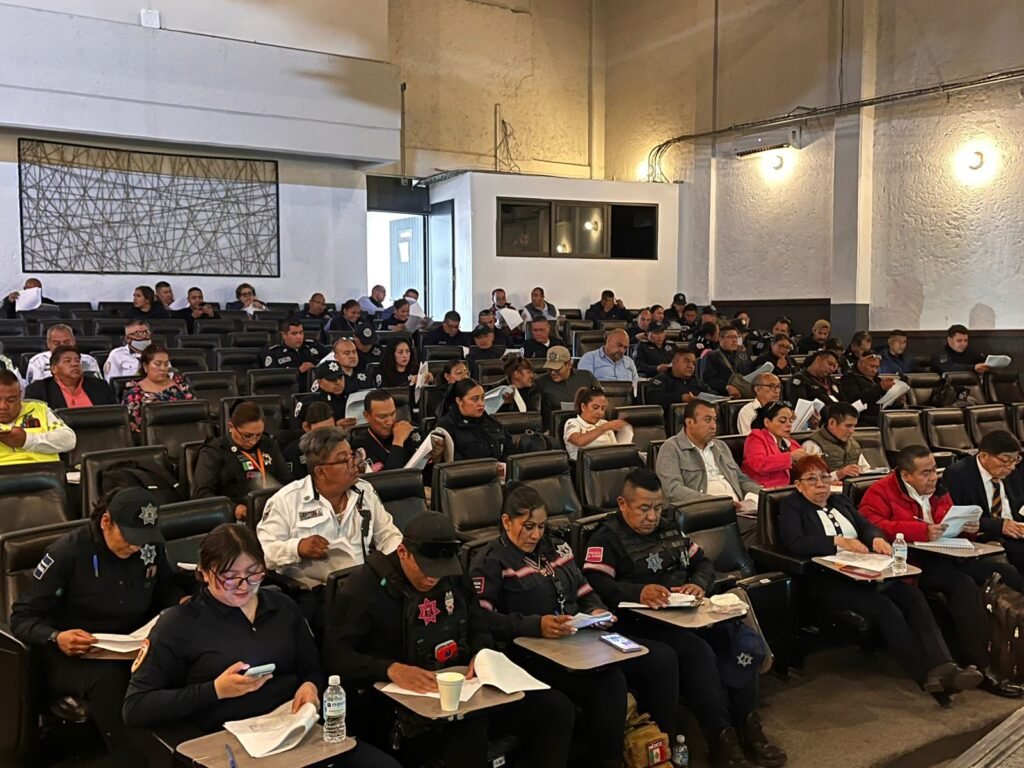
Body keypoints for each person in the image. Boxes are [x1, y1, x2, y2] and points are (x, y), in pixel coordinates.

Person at [123, 524, 402, 768]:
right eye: (229, 577)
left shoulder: (282, 607)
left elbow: (312, 668)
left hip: (294, 730)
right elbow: (136, 707)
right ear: (205, 573)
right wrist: (214, 690)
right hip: (228, 742)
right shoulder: (178, 625)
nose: (243, 586)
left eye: (254, 573)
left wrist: (310, 687)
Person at [326, 511, 574, 768]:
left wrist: (481, 654)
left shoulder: (453, 575)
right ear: (403, 552)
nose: (432, 578)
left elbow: (478, 623)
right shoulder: (364, 587)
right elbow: (336, 656)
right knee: (470, 733)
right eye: (425, 569)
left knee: (556, 709)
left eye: (439, 571)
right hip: (406, 707)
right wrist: (390, 669)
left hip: (465, 688)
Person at [584, 470, 787, 768]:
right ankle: (720, 738)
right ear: (622, 504)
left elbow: (702, 562)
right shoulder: (606, 537)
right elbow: (594, 583)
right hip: (642, 620)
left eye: (657, 508)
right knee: (697, 652)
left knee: (739, 638)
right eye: (644, 508)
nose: (652, 516)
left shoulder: (669, 529)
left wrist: (698, 584)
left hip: (687, 612)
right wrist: (638, 591)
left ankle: (749, 726)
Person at [470, 489, 673, 768]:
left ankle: (622, 758)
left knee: (632, 670)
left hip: (576, 641)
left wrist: (596, 611)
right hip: (528, 652)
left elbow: (584, 591)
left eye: (541, 526)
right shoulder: (491, 562)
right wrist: (535, 625)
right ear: (507, 521)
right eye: (528, 527)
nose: (535, 535)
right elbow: (482, 619)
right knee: (592, 691)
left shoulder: (557, 548)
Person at [780, 456, 983, 704]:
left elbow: (866, 526)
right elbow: (795, 542)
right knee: (884, 607)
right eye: (812, 479)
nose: (821, 484)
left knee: (912, 596)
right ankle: (928, 676)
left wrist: (875, 538)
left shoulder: (839, 500)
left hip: (867, 570)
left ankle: (945, 665)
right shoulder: (792, 506)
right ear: (798, 485)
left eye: (824, 477)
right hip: (830, 579)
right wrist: (837, 541)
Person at [11, 488, 182, 768]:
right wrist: (56, 637)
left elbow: (165, 588)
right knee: (111, 680)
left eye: (143, 539)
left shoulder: (148, 546)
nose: (136, 547)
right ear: (106, 522)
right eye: (129, 538)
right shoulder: (67, 552)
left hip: (131, 643)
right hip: (73, 652)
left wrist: (181, 602)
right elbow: (21, 617)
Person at [859, 445, 1024, 697]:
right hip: (914, 561)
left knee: (1007, 572)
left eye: (934, 470)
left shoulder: (939, 489)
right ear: (906, 475)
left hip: (948, 552)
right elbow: (871, 525)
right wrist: (920, 530)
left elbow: (949, 520)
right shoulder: (880, 491)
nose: (933, 478)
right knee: (962, 585)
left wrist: (968, 527)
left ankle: (1016, 649)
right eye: (925, 473)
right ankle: (982, 665)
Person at [257, 427, 401, 588]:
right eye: (344, 460)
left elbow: (387, 536)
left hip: (361, 583)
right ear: (320, 472)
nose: (354, 464)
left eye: (353, 455)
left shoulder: (364, 490)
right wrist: (297, 548)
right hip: (313, 590)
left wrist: (403, 559)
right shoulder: (286, 500)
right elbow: (266, 553)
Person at [655, 400, 761, 538]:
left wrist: (764, 494)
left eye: (715, 420)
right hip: (703, 513)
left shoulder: (721, 446)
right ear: (689, 422)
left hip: (739, 510)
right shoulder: (671, 448)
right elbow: (672, 489)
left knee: (775, 517)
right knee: (760, 528)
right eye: (707, 420)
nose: (713, 426)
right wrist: (717, 503)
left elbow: (741, 479)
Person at [193, 401, 292, 521]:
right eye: (247, 436)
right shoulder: (214, 451)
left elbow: (287, 480)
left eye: (258, 435)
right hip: (235, 517)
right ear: (231, 426)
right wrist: (233, 508)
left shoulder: (268, 444)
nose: (253, 441)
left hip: (274, 511)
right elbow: (202, 494)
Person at [943, 430, 1024, 573]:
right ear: (984, 456)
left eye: (1015, 459)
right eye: (1005, 460)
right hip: (987, 536)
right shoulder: (958, 474)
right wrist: (998, 525)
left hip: (1017, 532)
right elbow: (957, 518)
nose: (1011, 466)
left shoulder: (1015, 471)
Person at [0, 369, 75, 465]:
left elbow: (69, 440)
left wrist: (27, 440)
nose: (3, 406)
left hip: (46, 470)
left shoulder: (39, 409)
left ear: (20, 396)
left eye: (11, 400)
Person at [350, 390, 434, 472]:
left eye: (393, 414)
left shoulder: (411, 430)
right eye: (382, 417)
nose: (390, 422)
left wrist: (436, 456)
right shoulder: (360, 445)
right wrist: (398, 441)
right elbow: (389, 479)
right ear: (367, 416)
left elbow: (429, 470)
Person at [436, 379, 514, 462]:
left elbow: (510, 450)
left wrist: (505, 465)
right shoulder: (446, 426)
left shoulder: (491, 422)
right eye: (475, 399)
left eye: (482, 398)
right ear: (459, 401)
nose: (481, 403)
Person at [121, 344, 194, 433]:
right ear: (145, 366)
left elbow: (196, 411)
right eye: (158, 364)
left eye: (166, 364)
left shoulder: (180, 385)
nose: (163, 368)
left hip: (186, 433)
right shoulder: (134, 394)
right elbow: (130, 426)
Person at [25, 345, 116, 409]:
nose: (74, 364)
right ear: (54, 368)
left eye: (77, 361)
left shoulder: (100, 386)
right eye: (67, 361)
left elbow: (114, 415)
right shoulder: (38, 390)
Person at [742, 402, 807, 488]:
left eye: (791, 420)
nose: (789, 425)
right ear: (767, 422)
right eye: (782, 421)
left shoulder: (791, 443)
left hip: (794, 488)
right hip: (766, 490)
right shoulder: (756, 437)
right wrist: (790, 457)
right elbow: (759, 464)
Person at [802, 403, 871, 479]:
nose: (852, 431)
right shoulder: (812, 444)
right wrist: (838, 474)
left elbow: (865, 470)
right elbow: (810, 480)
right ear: (832, 423)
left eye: (854, 426)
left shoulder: (853, 444)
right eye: (848, 426)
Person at [533, 346, 598, 422]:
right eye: (550, 368)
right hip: (556, 424)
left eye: (557, 369)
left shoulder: (586, 377)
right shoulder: (540, 383)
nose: (553, 372)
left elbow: (601, 399)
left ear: (569, 364)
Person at [305, 350, 371, 424]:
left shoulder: (351, 393)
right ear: (320, 383)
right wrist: (336, 426)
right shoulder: (313, 403)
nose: (338, 382)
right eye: (332, 379)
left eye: (340, 377)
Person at [563, 385, 627, 461]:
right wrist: (604, 427)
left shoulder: (604, 423)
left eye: (603, 409)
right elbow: (579, 441)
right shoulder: (573, 423)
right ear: (583, 407)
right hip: (584, 465)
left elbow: (615, 450)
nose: (600, 413)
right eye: (595, 407)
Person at [839, 352, 900, 427]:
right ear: (861, 364)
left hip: (880, 417)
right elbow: (856, 400)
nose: (875, 370)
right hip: (862, 418)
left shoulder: (877, 380)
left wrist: (897, 401)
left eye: (877, 367)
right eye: (872, 366)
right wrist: (880, 388)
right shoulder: (849, 378)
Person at [26, 324, 102, 384]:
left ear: (73, 341)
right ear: (48, 344)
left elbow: (99, 386)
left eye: (66, 342)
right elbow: (35, 390)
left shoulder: (89, 361)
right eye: (56, 343)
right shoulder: (37, 362)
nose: (62, 346)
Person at [645, 346, 709, 417]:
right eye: (686, 361)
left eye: (693, 363)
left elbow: (712, 395)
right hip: (669, 420)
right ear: (674, 363)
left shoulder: (697, 382)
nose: (691, 366)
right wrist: (680, 398)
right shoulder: (661, 379)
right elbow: (653, 398)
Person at [283, 401, 335, 479]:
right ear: (306, 427)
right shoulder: (293, 452)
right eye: (321, 431)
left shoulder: (341, 445)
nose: (327, 435)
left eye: (332, 429)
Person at [703, 325, 754, 396]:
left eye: (736, 337)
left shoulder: (743, 355)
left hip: (745, 393)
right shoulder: (712, 356)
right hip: (724, 395)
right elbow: (708, 380)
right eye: (730, 337)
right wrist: (727, 387)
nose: (735, 340)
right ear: (720, 339)